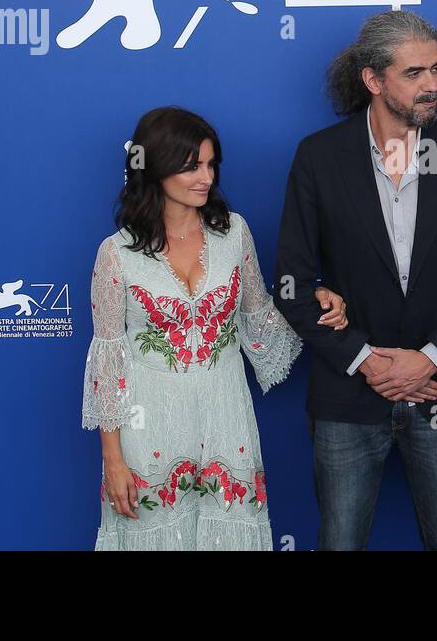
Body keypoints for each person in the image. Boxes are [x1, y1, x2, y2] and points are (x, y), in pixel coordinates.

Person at [275, 10, 437, 550]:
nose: (431, 85)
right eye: (413, 73)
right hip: (348, 397)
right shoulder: (318, 158)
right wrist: (369, 361)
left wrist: (428, 359)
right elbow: (290, 283)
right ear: (373, 79)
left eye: (436, 69)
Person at [81, 106, 347, 550]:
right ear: (157, 168)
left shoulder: (234, 234)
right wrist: (113, 458)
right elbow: (109, 360)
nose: (206, 177)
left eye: (210, 164)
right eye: (191, 167)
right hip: (148, 422)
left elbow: (259, 318)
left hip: (225, 415)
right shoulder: (116, 254)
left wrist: (313, 299)